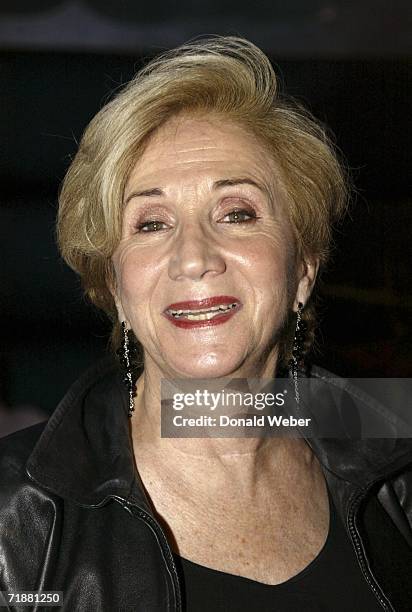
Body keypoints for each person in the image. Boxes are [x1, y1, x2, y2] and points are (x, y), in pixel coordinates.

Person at [0, 36, 411, 612]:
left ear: (303, 270)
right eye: (150, 223)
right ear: (114, 285)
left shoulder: (396, 468)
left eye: (237, 213)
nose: (193, 257)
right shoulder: (14, 523)